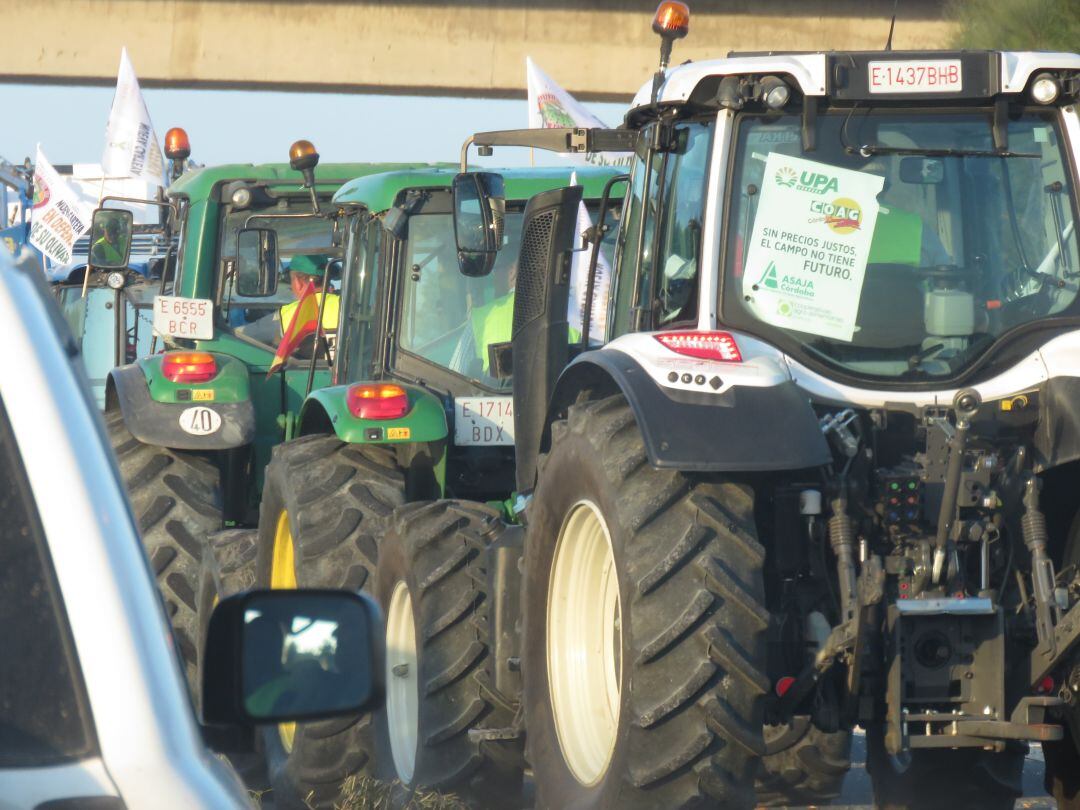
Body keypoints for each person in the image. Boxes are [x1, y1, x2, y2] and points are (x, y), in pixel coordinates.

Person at [237, 253, 339, 349]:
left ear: (298, 282)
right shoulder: (345, 306)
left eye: (290, 280)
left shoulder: (289, 315)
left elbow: (241, 336)